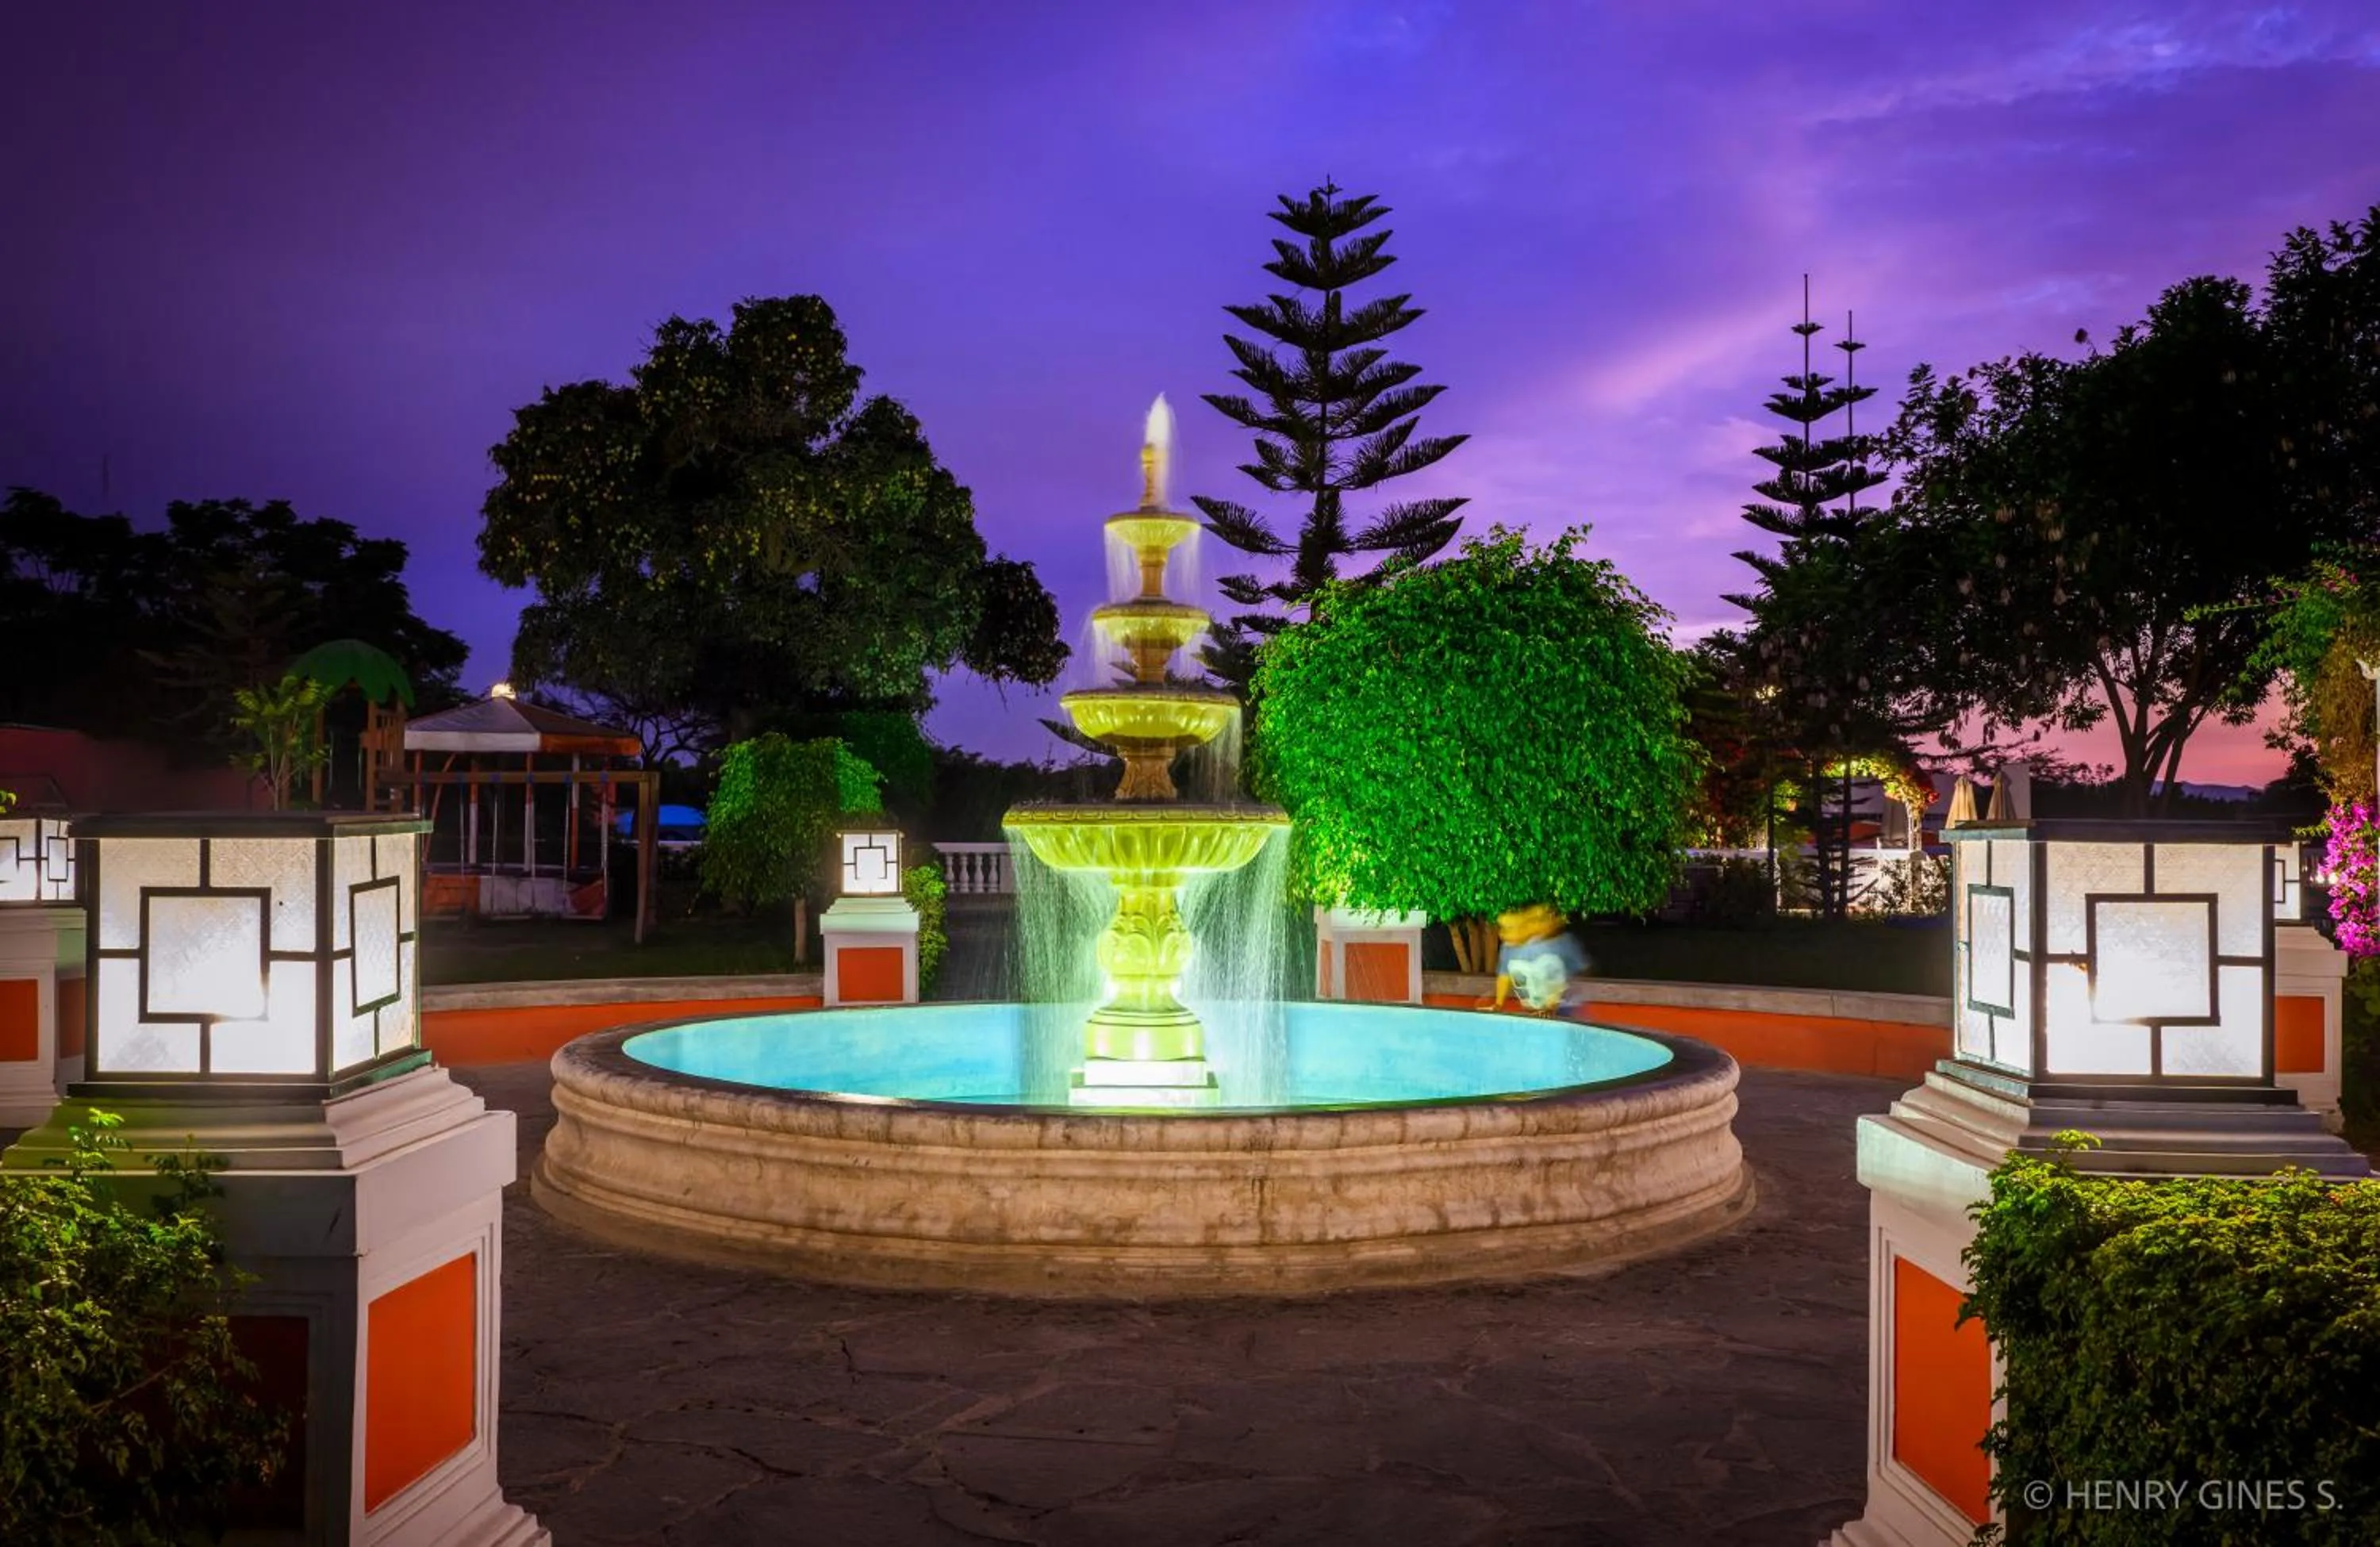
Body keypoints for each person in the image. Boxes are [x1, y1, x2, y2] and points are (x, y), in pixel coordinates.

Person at [1483, 903, 1591, 1015]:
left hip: (1565, 1008)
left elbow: (1576, 973)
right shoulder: (1509, 949)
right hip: (1535, 1010)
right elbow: (1504, 977)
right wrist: (1498, 1004)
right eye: (1503, 929)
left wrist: (1554, 1004)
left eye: (1509, 928)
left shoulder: (1562, 943)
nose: (1503, 934)